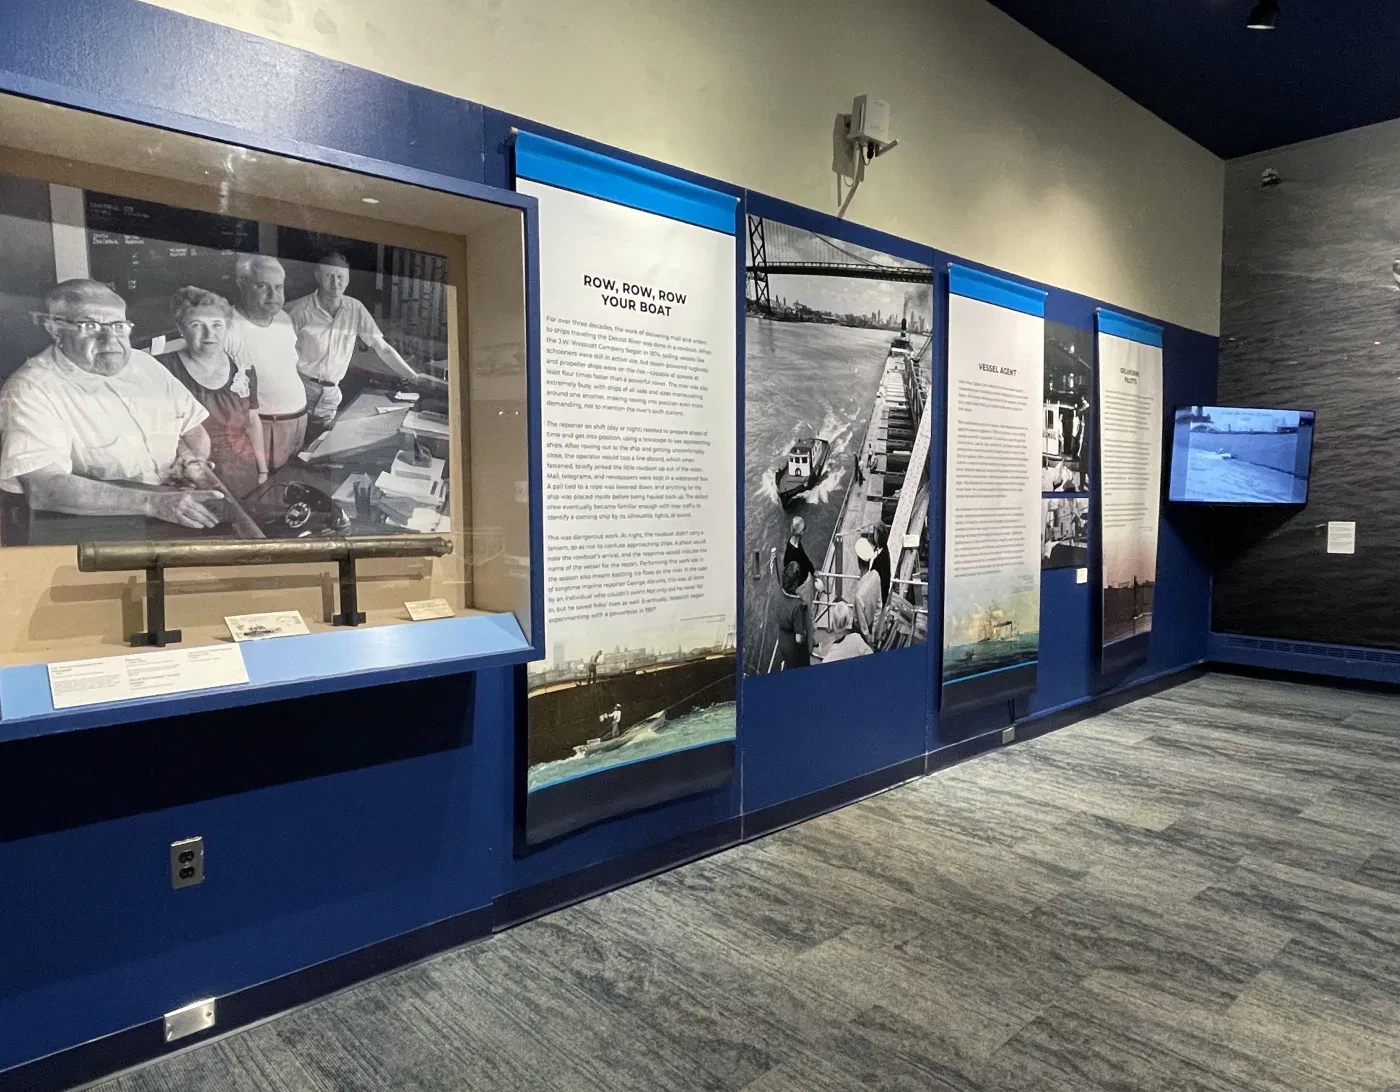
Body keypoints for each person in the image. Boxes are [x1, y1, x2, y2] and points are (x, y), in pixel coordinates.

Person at [0, 279, 222, 529]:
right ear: (54, 328)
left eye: (118, 325)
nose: (110, 339)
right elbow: (44, 488)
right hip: (96, 532)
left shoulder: (145, 366)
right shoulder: (31, 388)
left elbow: (192, 429)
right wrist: (154, 503)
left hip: (176, 513)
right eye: (90, 325)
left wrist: (192, 462)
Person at [286, 251, 420, 429]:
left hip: (331, 395)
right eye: (329, 276)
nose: (335, 283)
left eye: (341, 276)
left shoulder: (355, 308)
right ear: (317, 276)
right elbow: (277, 354)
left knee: (318, 445)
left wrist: (412, 376)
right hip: (299, 388)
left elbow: (382, 348)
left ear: (348, 278)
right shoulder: (297, 310)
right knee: (292, 445)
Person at [159, 287, 267, 498]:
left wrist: (262, 470)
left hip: (245, 474)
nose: (209, 334)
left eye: (217, 325)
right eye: (197, 325)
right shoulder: (162, 370)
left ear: (227, 327)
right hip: (190, 480)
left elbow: (253, 422)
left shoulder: (244, 368)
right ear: (181, 328)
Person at [227, 255, 307, 472]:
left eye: (278, 287)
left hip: (299, 420)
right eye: (263, 286)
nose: (273, 295)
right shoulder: (228, 326)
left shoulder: (282, 317)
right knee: (271, 493)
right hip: (265, 427)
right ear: (241, 284)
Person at [775, 559, 810, 670]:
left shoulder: (778, 592)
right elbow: (799, 639)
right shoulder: (797, 605)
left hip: (782, 640)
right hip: (793, 648)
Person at [852, 537, 883, 646]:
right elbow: (879, 605)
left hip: (860, 631)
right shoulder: (876, 575)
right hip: (872, 623)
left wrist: (868, 638)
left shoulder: (858, 596)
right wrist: (874, 630)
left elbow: (862, 624)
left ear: (858, 562)